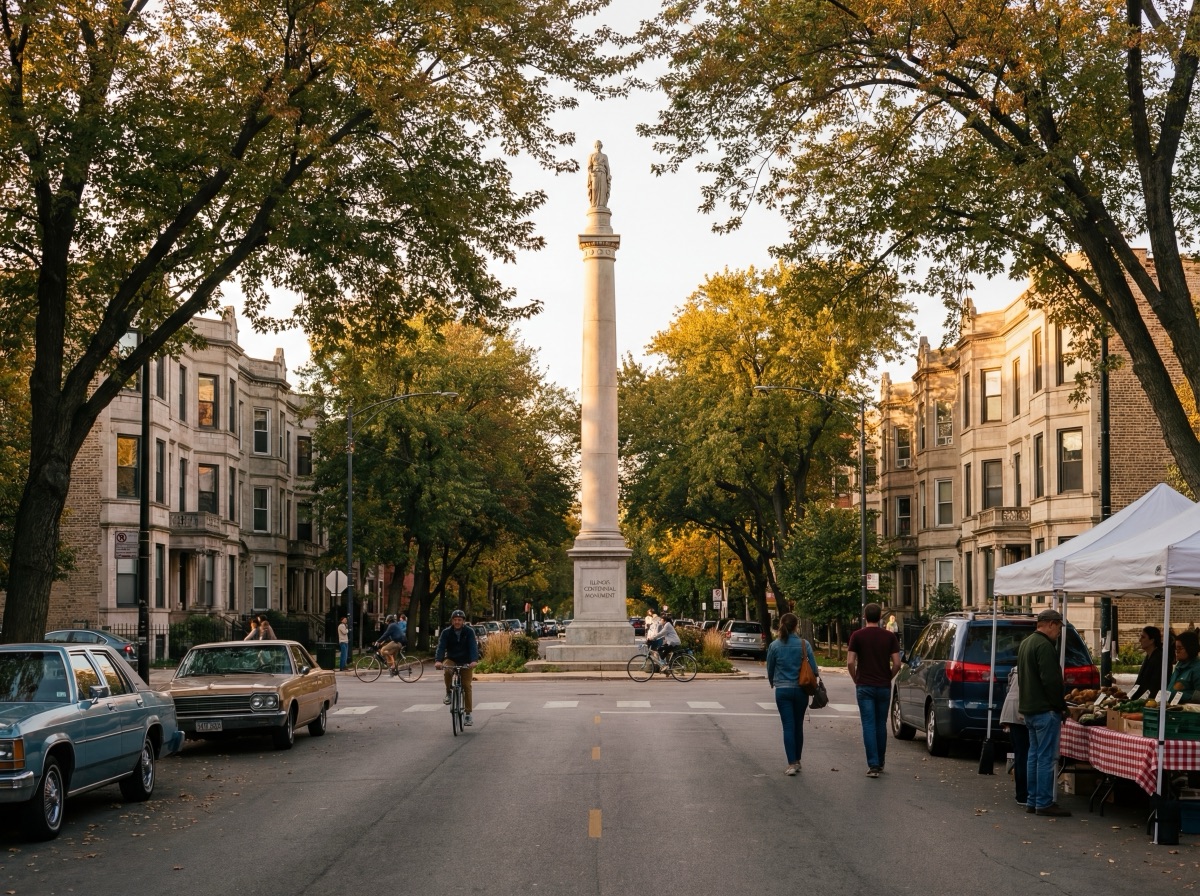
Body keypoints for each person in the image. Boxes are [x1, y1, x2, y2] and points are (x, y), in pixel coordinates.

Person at [1018, 608, 1071, 817]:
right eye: (1058, 628)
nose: (1058, 633)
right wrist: (1061, 706)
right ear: (1050, 624)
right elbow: (1051, 681)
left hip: (1029, 709)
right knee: (1046, 758)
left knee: (1034, 755)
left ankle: (1032, 800)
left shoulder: (1026, 643)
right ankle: (1043, 802)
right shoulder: (1044, 646)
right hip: (1045, 709)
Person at [847, 602, 901, 778]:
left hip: (864, 685)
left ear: (864, 617)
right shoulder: (889, 637)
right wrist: (889, 676)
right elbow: (897, 663)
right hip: (883, 685)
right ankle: (881, 761)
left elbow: (850, 661)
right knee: (880, 724)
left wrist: (855, 678)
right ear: (880, 617)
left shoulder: (857, 636)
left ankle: (873, 764)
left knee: (868, 724)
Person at [766, 613, 819, 776]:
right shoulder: (804, 644)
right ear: (796, 626)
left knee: (788, 726)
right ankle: (798, 759)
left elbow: (770, 668)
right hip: (801, 690)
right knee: (798, 725)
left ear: (781, 625)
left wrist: (772, 682)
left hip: (782, 690)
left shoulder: (774, 646)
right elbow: (814, 669)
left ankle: (792, 762)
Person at [435, 609, 480, 726]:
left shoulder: (469, 632)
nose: (457, 622)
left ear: (463, 621)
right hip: (452, 659)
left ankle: (468, 714)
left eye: (459, 620)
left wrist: (474, 660)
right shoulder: (446, 632)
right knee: (447, 669)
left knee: (466, 685)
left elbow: (473, 646)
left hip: (466, 661)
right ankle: (448, 693)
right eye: (455, 620)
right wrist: (438, 661)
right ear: (452, 621)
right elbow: (441, 647)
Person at [999, 666, 1028, 806]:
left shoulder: (1017, 668)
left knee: (1020, 754)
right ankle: (1023, 794)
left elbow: (1009, 687)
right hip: (1022, 712)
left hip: (1011, 711)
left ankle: (1021, 793)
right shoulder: (1033, 666)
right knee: (1024, 754)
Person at [1132, 626, 1172, 699]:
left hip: (1152, 700)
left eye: (1143, 637)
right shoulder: (1149, 656)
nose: (1140, 640)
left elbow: (1155, 685)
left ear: (1152, 640)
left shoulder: (1160, 659)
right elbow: (1140, 682)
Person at [1168, 629, 1200, 702]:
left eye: (1180, 648)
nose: (1177, 651)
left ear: (1190, 648)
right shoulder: (1179, 666)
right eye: (1176, 648)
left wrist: (1181, 696)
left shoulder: (1197, 668)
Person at [587, 140, 611, 207]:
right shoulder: (591, 155)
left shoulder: (604, 156)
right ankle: (594, 204)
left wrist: (608, 174)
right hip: (594, 174)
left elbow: (607, 167)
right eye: (597, 146)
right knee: (594, 188)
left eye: (599, 146)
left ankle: (602, 204)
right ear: (595, 146)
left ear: (601, 146)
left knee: (603, 189)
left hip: (603, 173)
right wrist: (591, 173)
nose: (598, 147)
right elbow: (589, 167)